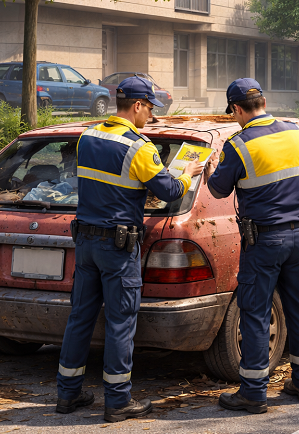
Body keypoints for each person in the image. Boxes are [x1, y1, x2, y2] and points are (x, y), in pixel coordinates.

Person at [55, 76, 203, 423]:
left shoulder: (88, 136)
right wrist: (188, 173)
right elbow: (168, 191)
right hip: (117, 248)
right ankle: (118, 401)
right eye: (150, 109)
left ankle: (68, 394)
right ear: (137, 105)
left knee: (79, 318)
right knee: (120, 323)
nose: (151, 116)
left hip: (86, 242)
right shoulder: (139, 147)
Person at [205, 78, 299, 414]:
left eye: (233, 112)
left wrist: (213, 170)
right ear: (263, 101)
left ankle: (253, 392)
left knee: (255, 311)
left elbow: (219, 191)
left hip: (265, 239)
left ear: (237, 108)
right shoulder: (297, 132)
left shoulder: (237, 145)